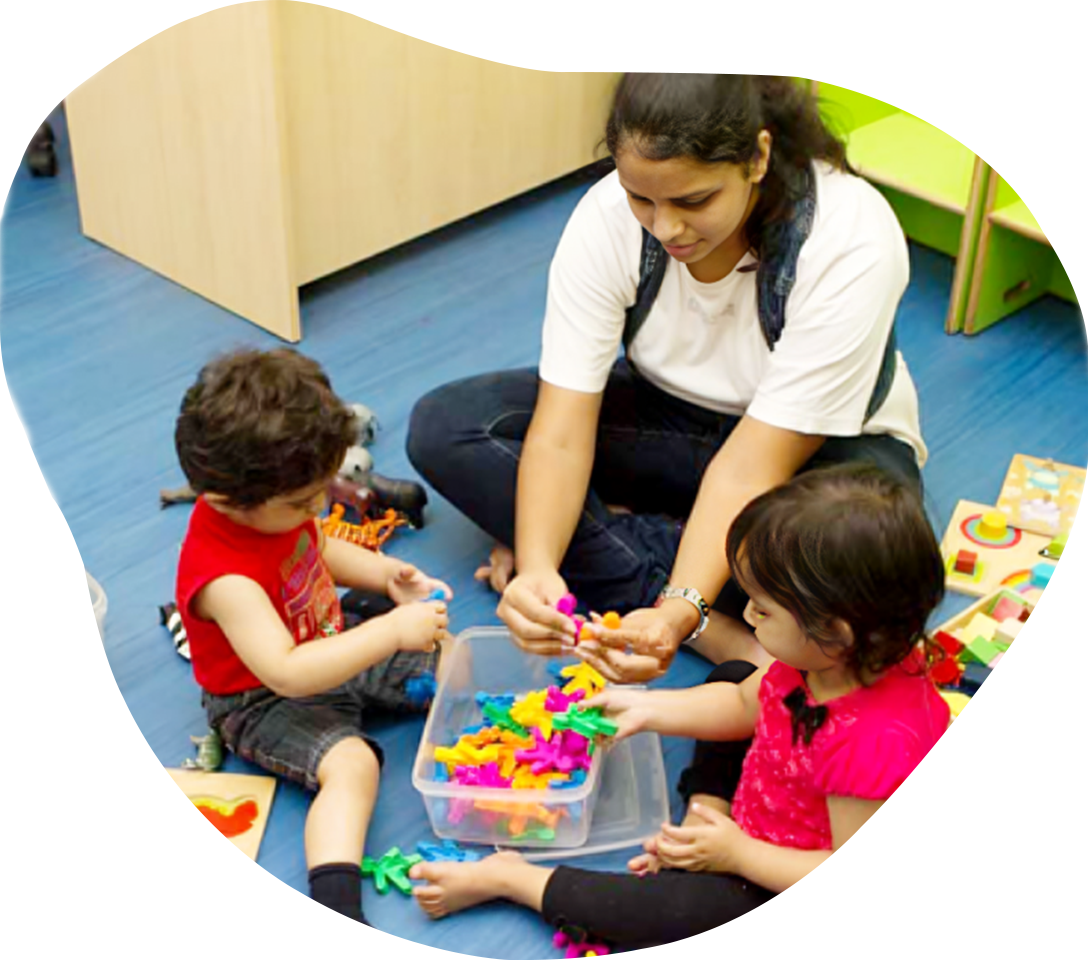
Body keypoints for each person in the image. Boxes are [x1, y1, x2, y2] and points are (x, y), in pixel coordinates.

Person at [407, 27, 926, 683]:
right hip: (669, 418)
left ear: (758, 158)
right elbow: (563, 429)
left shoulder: (851, 236)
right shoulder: (605, 218)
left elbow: (752, 465)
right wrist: (540, 567)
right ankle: (720, 604)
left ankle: (644, 558)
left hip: (816, 449)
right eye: (641, 198)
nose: (666, 227)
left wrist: (680, 609)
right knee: (446, 425)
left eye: (695, 200)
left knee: (866, 570)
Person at [408, 465, 954, 952]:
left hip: (815, 894)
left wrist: (737, 856)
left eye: (762, 611)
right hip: (768, 815)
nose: (750, 621)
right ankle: (706, 811)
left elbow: (859, 880)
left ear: (835, 634)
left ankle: (514, 878)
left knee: (670, 911)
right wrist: (650, 711)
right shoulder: (827, 659)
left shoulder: (873, 744)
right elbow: (746, 702)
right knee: (738, 674)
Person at [174, 348, 451, 960]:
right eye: (304, 500)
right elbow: (289, 674)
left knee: (449, 652)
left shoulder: (280, 505)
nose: (321, 507)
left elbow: (318, 547)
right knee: (354, 765)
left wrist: (386, 575)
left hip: (327, 638)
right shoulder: (226, 578)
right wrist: (388, 632)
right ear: (224, 499)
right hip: (264, 697)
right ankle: (333, 918)